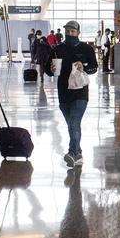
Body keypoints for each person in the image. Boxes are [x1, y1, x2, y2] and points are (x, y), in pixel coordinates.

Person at [48, 21, 99, 167]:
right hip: (63, 92)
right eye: (67, 31)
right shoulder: (57, 49)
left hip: (80, 92)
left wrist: (85, 66)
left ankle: (71, 152)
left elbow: (94, 67)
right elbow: (47, 68)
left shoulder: (86, 48)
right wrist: (50, 69)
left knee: (74, 121)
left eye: (72, 31)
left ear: (78, 33)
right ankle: (78, 152)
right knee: (71, 124)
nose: (69, 34)